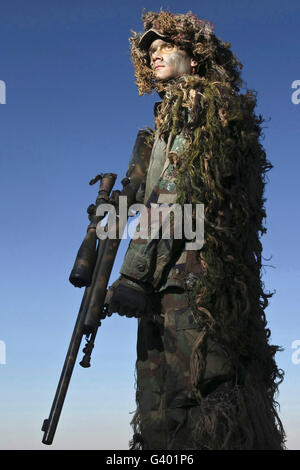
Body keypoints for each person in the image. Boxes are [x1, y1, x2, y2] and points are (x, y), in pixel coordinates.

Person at [105, 10, 286, 450]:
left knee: (197, 407)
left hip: (195, 287)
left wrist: (132, 274)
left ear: (196, 58)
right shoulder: (163, 123)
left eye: (167, 47)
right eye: (150, 51)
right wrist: (113, 212)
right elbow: (149, 194)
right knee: (160, 410)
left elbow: (174, 195)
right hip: (166, 284)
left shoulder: (201, 104)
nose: (156, 56)